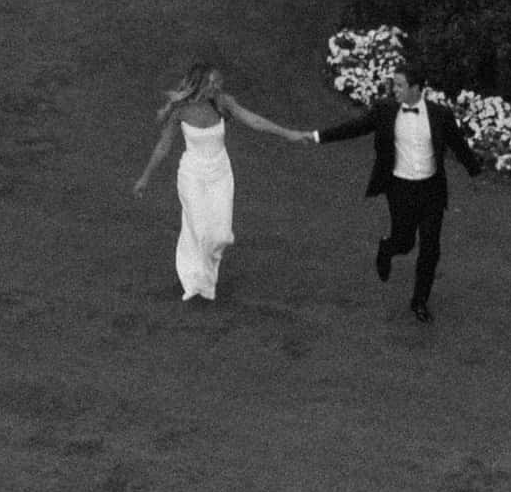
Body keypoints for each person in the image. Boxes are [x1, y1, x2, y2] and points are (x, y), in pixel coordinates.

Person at [130, 60, 306, 305]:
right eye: (212, 83)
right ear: (199, 83)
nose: (217, 86)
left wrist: (289, 134)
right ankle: (196, 282)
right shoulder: (180, 110)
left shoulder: (223, 103)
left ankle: (203, 277)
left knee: (221, 235)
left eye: (218, 82)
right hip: (192, 175)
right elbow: (163, 146)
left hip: (221, 174)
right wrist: (145, 178)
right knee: (201, 229)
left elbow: (254, 121)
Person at [318, 66, 479, 317]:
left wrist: (474, 171)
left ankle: (419, 301)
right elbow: (355, 127)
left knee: (430, 247)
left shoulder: (440, 115)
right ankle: (387, 248)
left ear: (416, 88)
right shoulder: (385, 110)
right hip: (400, 189)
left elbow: (458, 144)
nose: (395, 89)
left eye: (400, 85)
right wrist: (317, 137)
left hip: (432, 190)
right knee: (404, 242)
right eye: (395, 84)